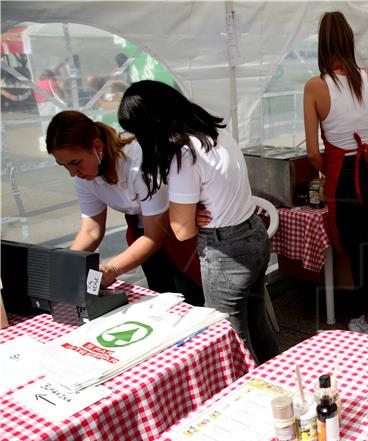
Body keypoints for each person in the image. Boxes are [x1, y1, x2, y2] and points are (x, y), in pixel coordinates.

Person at [118, 80, 279, 364]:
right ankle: (276, 377)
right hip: (253, 234)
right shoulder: (214, 131)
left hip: (225, 251)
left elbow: (181, 231)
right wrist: (188, 212)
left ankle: (252, 396)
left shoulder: (184, 154)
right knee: (257, 322)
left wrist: (179, 214)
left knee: (230, 340)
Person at [303, 11, 368, 337]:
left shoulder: (315, 86)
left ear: (321, 45)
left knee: (359, 247)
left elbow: (312, 153)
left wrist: (331, 169)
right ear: (349, 40)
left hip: (345, 172)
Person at [45, 110, 204, 304]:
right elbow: (91, 230)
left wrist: (111, 269)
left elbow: (155, 234)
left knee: (192, 298)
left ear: (97, 146)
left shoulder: (139, 164)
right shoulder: (84, 176)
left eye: (75, 163)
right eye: (64, 166)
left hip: (182, 232)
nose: (72, 173)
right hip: (144, 236)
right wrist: (66, 266)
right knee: (163, 299)